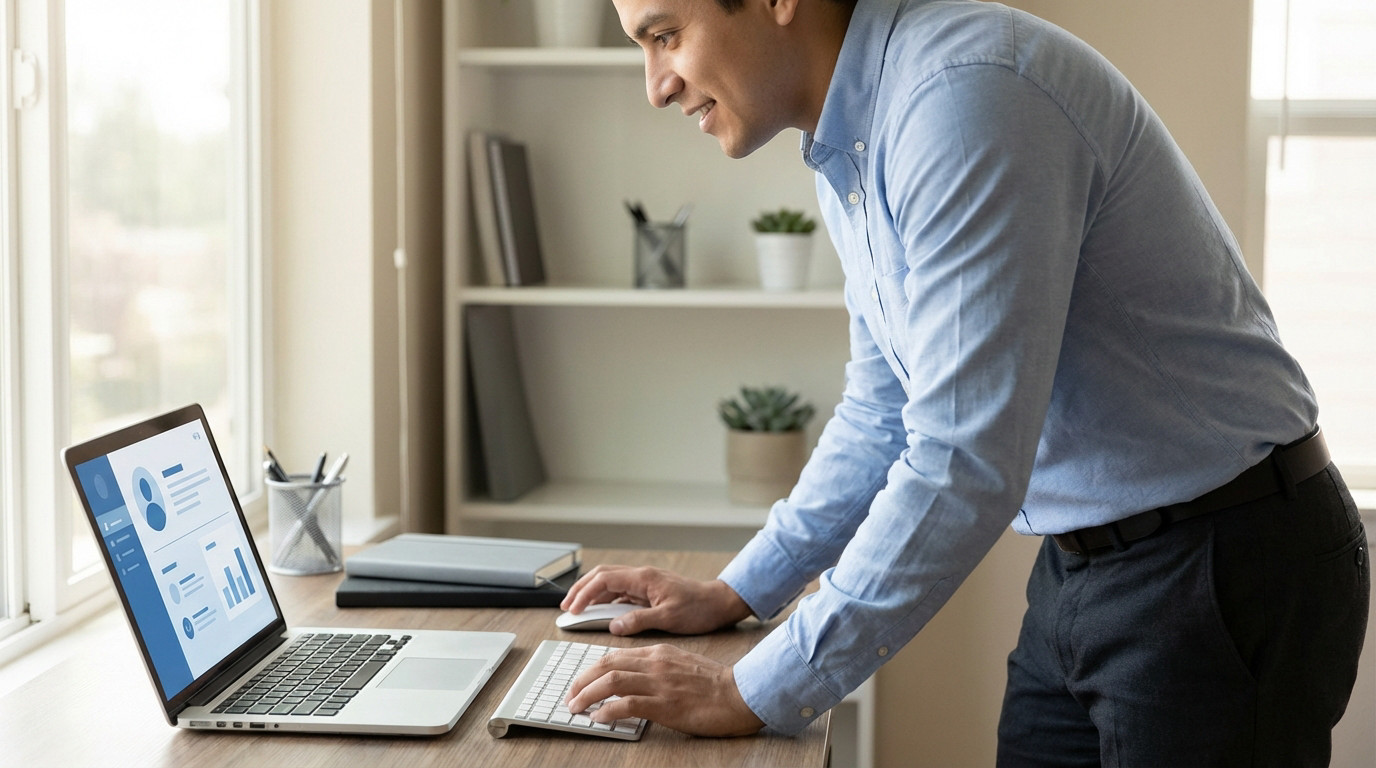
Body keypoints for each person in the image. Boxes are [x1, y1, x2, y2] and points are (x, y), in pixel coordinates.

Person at [562, 0, 1372, 763]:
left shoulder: (962, 99)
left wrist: (756, 689)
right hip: (1089, 562)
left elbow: (963, 458)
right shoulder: (853, 141)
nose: (655, 85)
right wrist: (737, 591)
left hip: (1223, 564)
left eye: (666, 34)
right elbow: (884, 410)